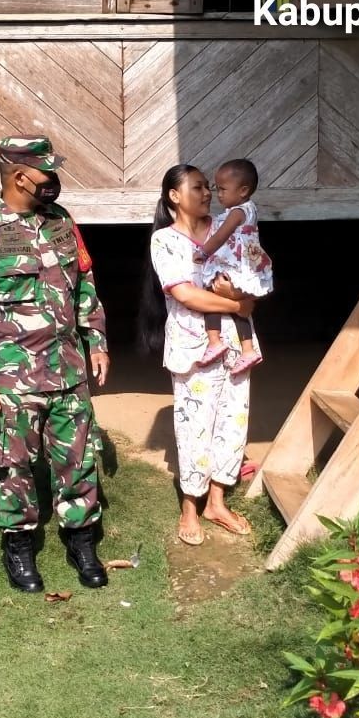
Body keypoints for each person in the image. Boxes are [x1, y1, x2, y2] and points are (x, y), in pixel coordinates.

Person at [0, 135, 110, 592]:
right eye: (46, 172)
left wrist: (96, 342)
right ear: (20, 177)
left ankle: (82, 543)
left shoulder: (62, 222)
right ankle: (19, 550)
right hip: (12, 378)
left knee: (78, 460)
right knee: (14, 466)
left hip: (68, 369)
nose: (54, 180)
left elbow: (85, 286)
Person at [143, 164, 258, 547]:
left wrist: (246, 300)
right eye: (197, 188)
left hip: (238, 345)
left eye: (209, 187)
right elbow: (185, 294)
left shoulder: (229, 226)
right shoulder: (165, 241)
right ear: (175, 196)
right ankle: (190, 506)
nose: (207, 193)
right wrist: (236, 305)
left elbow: (252, 271)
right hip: (195, 347)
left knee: (233, 421)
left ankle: (217, 502)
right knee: (195, 426)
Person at [193, 158, 273, 375]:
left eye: (223, 189)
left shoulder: (237, 212)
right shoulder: (250, 210)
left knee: (212, 296)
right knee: (238, 306)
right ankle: (248, 350)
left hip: (234, 264)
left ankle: (214, 341)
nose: (218, 195)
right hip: (245, 265)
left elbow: (221, 236)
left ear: (243, 190)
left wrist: (203, 252)